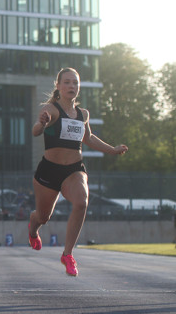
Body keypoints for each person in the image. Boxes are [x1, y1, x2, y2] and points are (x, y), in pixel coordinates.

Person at [28, 67, 127, 276]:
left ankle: (68, 254)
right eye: (67, 82)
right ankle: (33, 228)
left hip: (74, 170)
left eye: (75, 83)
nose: (71, 86)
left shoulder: (83, 114)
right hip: (49, 170)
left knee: (82, 202)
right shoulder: (51, 109)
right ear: (58, 85)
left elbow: (88, 138)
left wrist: (112, 150)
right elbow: (36, 130)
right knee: (43, 216)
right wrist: (42, 123)